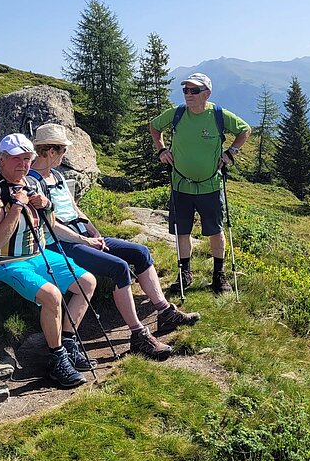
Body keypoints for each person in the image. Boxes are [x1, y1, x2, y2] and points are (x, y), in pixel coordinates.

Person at [29, 123, 201, 362]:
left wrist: (94, 232)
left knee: (140, 252)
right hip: (60, 244)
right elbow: (50, 224)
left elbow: (74, 208)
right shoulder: (34, 183)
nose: (64, 155)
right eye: (62, 150)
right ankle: (138, 335)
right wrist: (86, 241)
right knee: (119, 268)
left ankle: (164, 311)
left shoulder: (56, 176)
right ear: (49, 151)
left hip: (82, 236)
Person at [0, 132, 97, 389]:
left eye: (28, 159)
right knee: (52, 295)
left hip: (36, 253)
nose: (24, 165)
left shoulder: (32, 183)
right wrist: (17, 206)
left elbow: (49, 225)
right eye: (17, 159)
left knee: (87, 282)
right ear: (2, 159)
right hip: (2, 261)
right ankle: (57, 358)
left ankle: (69, 343)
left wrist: (46, 204)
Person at [150, 72, 251, 293]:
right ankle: (185, 273)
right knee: (182, 231)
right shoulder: (176, 114)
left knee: (215, 230)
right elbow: (154, 127)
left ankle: (219, 275)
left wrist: (230, 153)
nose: (188, 94)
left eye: (194, 90)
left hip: (211, 186)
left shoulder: (218, 115)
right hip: (180, 185)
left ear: (207, 93)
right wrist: (161, 150)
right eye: (186, 90)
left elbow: (245, 130)